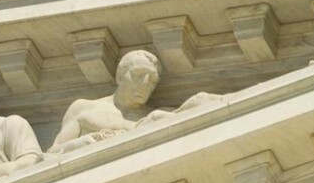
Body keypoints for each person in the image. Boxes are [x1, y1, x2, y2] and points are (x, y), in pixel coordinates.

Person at [51, 49, 221, 153]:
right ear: (119, 76)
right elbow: (53, 152)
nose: (145, 84)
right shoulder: (84, 108)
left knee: (200, 100)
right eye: (138, 75)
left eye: (152, 80)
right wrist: (82, 142)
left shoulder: (153, 114)